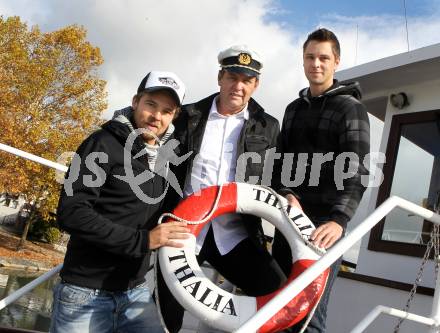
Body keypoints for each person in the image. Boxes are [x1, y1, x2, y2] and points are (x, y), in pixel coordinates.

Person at [50, 71, 191, 333]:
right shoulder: (101, 144)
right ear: (136, 101)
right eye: (151, 104)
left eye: (166, 110)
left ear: (175, 116)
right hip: (85, 292)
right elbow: (71, 212)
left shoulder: (169, 158)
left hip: (135, 291)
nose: (156, 117)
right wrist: (144, 241)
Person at [157, 45, 286, 332]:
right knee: (166, 307)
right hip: (185, 229)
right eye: (232, 77)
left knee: (276, 290)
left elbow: (277, 176)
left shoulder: (268, 126)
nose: (238, 86)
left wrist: (291, 197)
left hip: (235, 232)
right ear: (220, 77)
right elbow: (150, 136)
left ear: (256, 84)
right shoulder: (189, 116)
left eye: (246, 80)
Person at [272, 28, 370, 333]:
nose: (316, 63)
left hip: (326, 227)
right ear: (303, 61)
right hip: (288, 219)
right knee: (277, 305)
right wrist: (286, 193)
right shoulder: (292, 110)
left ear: (336, 62)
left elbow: (358, 170)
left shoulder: (350, 108)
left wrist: (339, 220)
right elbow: (280, 161)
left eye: (323, 58)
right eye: (310, 57)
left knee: (310, 314)